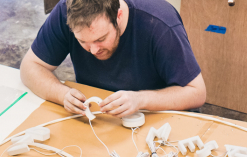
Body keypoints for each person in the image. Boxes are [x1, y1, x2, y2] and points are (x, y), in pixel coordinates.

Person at [20, 0, 206, 118]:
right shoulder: (65, 12)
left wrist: (140, 100)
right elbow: (30, 67)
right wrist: (62, 94)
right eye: (82, 41)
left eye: (100, 39)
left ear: (119, 15)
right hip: (100, 118)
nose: (92, 50)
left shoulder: (159, 24)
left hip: (154, 118)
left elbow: (196, 93)